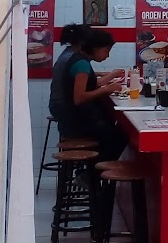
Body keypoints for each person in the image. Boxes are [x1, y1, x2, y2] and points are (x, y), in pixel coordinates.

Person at [51, 29, 128, 161]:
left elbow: (90, 84)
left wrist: (109, 80)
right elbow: (79, 98)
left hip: (72, 120)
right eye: (106, 51)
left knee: (113, 129)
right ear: (95, 48)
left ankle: (95, 168)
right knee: (122, 133)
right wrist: (106, 90)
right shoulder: (82, 64)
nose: (107, 56)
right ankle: (95, 169)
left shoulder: (79, 60)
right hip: (76, 123)